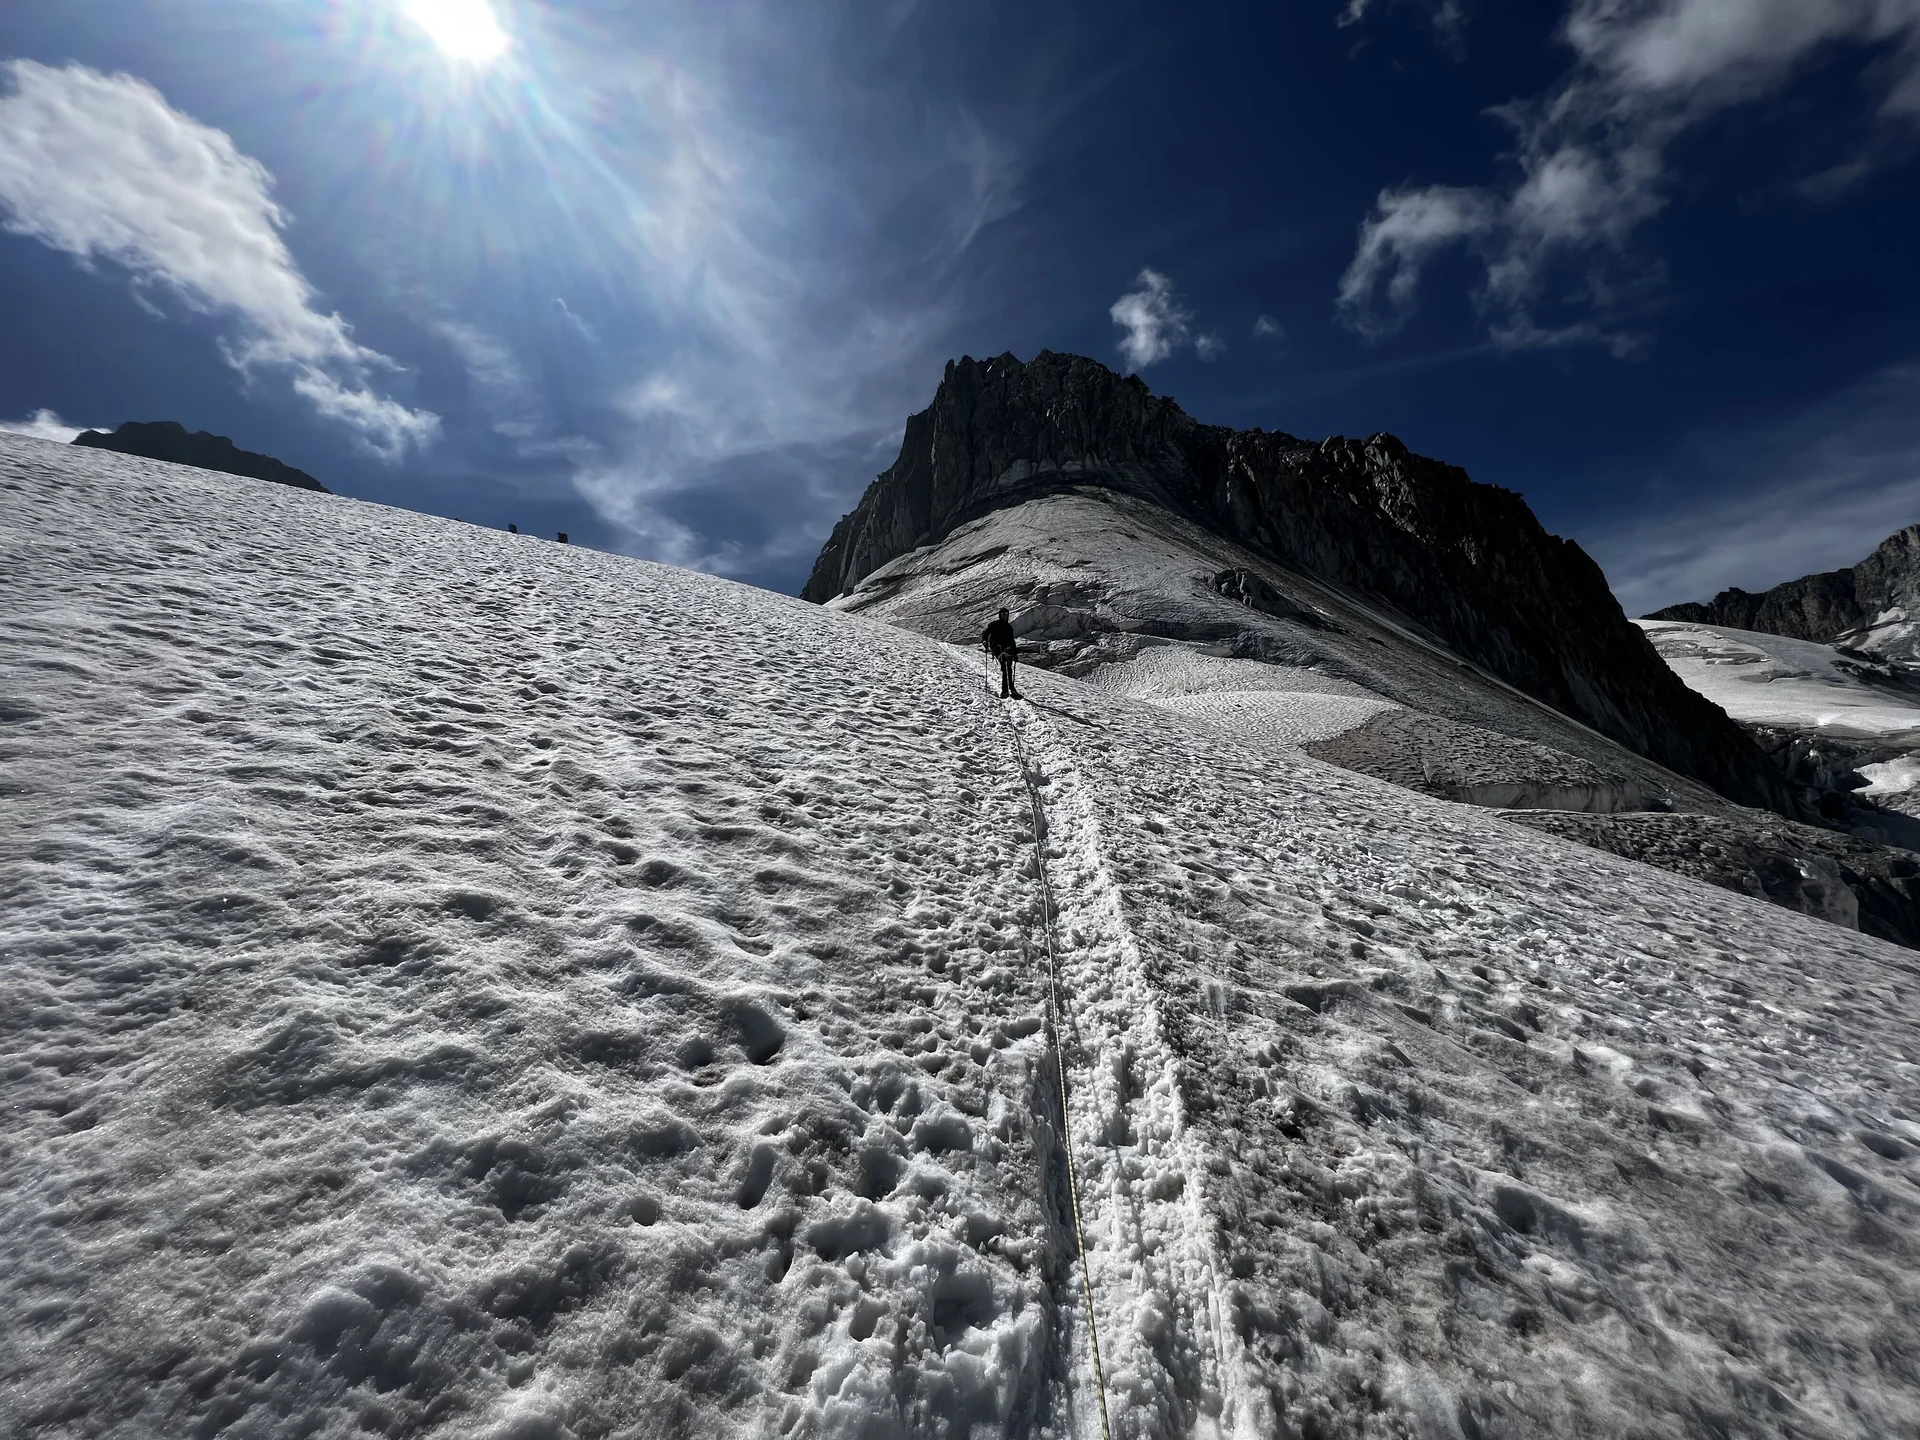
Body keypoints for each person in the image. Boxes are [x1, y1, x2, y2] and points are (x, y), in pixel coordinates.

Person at [982, 607, 1022, 699]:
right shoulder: (995, 625)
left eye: (1006, 614)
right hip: (998, 648)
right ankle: (1006, 690)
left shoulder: (1008, 627)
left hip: (1007, 649)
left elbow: (1012, 641)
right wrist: (984, 640)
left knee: (1008, 668)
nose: (1005, 616)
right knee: (1005, 667)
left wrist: (1015, 653)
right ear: (1000, 615)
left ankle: (1010, 689)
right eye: (1003, 614)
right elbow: (986, 633)